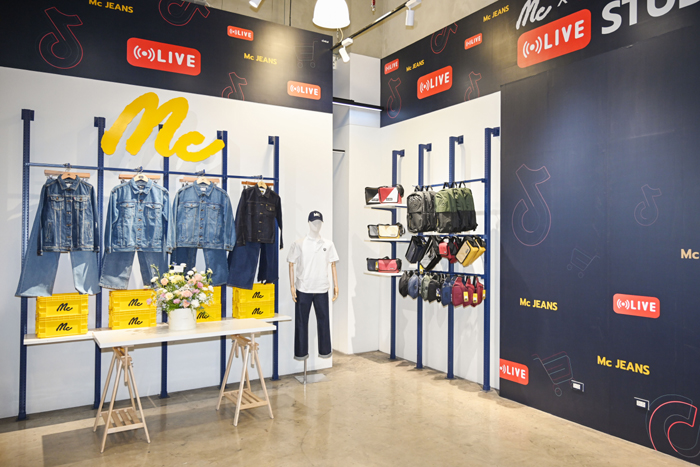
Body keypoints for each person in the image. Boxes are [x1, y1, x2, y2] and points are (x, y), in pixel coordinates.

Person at [287, 211, 339, 361]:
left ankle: (325, 351)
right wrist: (292, 287)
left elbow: (333, 265)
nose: (317, 225)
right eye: (314, 222)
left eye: (319, 222)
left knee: (324, 322)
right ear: (309, 223)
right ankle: (301, 353)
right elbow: (291, 264)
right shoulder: (299, 243)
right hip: (303, 288)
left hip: (322, 288)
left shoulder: (328, 244)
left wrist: (336, 286)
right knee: (301, 323)